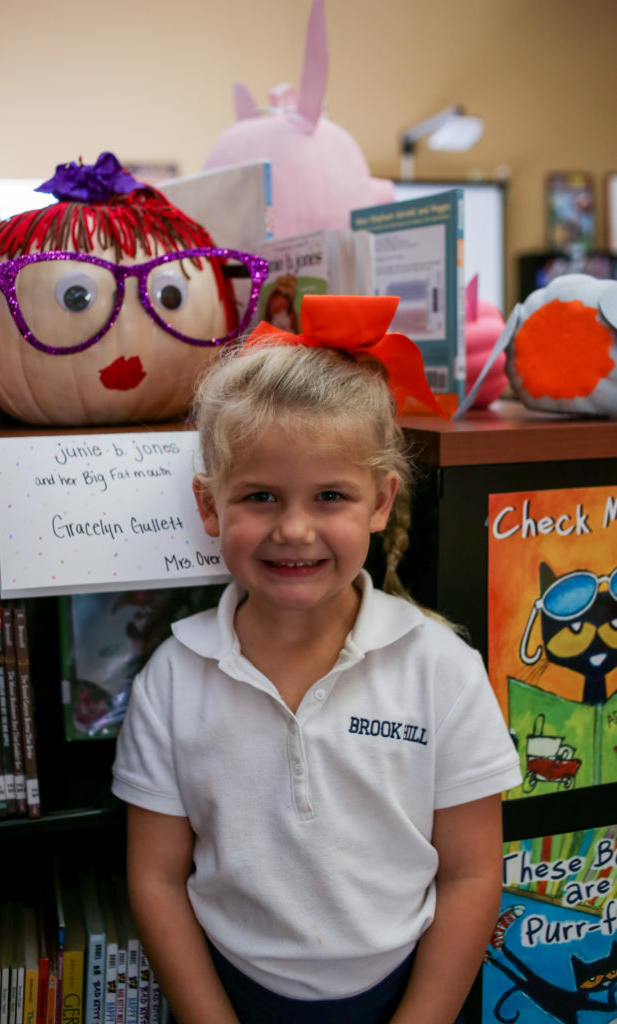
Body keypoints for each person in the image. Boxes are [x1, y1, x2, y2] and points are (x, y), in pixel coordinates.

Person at [111, 295, 522, 1024]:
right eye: (260, 497)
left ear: (380, 502)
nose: (294, 530)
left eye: (330, 495)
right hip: (231, 995)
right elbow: (156, 879)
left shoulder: (441, 670)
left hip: (413, 995)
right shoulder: (171, 680)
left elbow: (470, 874)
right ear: (209, 506)